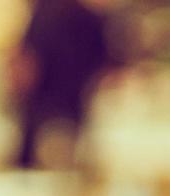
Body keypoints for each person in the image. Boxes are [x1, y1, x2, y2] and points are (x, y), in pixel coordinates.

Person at [9, 0, 118, 170]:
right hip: (70, 113)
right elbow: (105, 67)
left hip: (45, 114)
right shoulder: (89, 16)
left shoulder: (45, 13)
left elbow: (26, 66)